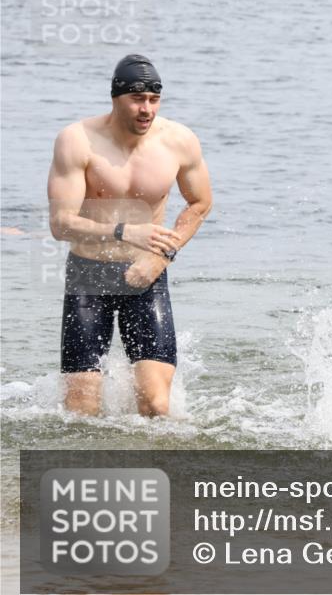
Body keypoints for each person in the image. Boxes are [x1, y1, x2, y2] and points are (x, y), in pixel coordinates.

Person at [47, 54, 212, 417]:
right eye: (137, 99)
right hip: (89, 276)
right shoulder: (77, 141)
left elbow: (200, 203)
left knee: (155, 405)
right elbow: (60, 224)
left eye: (153, 100)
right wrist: (124, 230)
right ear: (115, 97)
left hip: (146, 275)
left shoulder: (179, 141)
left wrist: (160, 256)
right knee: (80, 411)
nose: (146, 109)